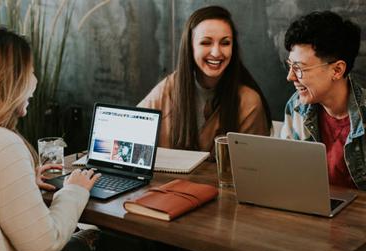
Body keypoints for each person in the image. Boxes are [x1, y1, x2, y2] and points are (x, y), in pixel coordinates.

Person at [0, 26, 102, 251]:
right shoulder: (4, 144)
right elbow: (44, 244)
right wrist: (73, 191)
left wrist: (21, 181)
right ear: (8, 81)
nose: (35, 81)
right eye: (30, 72)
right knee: (91, 239)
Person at [138, 5, 271, 153]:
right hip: (169, 177)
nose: (216, 52)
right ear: (190, 46)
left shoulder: (249, 102)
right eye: (206, 42)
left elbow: (253, 168)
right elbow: (131, 131)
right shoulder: (169, 87)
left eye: (225, 43)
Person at [280, 11, 366, 190]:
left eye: (299, 68)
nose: (290, 77)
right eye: (290, 66)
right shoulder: (296, 107)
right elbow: (285, 175)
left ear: (337, 70)